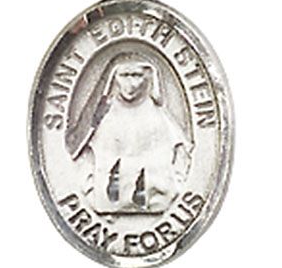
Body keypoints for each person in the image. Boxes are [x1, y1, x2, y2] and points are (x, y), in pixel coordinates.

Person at [69, 52, 192, 214]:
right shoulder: (103, 121)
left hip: (155, 205)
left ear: (148, 78)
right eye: (125, 75)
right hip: (106, 206)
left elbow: (181, 158)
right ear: (113, 78)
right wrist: (92, 192)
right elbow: (84, 161)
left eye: (137, 75)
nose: (131, 83)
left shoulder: (161, 120)